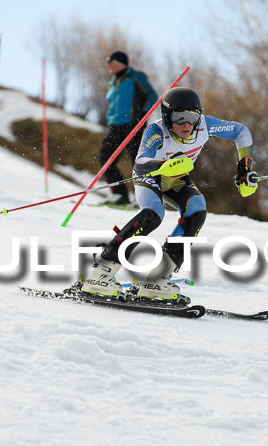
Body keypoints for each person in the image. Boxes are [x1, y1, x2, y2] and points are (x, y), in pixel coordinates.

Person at [81, 87, 258, 301]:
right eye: (179, 117)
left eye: (192, 117)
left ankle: (157, 278)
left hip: (178, 178)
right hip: (151, 175)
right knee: (154, 214)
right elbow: (141, 161)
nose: (186, 124)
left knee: (197, 210)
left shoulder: (205, 125)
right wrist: (164, 164)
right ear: (167, 116)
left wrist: (244, 166)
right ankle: (102, 269)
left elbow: (241, 132)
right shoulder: (156, 131)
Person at [98, 50, 158, 205]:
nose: (107, 66)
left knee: (138, 162)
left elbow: (152, 96)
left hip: (133, 125)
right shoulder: (114, 82)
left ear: (119, 63)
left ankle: (145, 198)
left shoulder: (136, 77)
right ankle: (120, 195)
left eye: (110, 62)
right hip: (115, 126)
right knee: (106, 158)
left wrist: (142, 116)